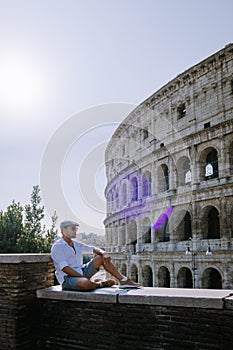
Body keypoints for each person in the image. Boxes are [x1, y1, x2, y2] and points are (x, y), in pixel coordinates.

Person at [51, 220, 141, 291]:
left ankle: (124, 281)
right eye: (73, 229)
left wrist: (104, 253)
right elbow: (65, 268)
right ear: (64, 230)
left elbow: (92, 249)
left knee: (101, 258)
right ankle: (100, 284)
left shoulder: (76, 244)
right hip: (67, 278)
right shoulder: (58, 247)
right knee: (85, 283)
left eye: (76, 229)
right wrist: (83, 277)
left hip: (82, 271)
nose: (75, 231)